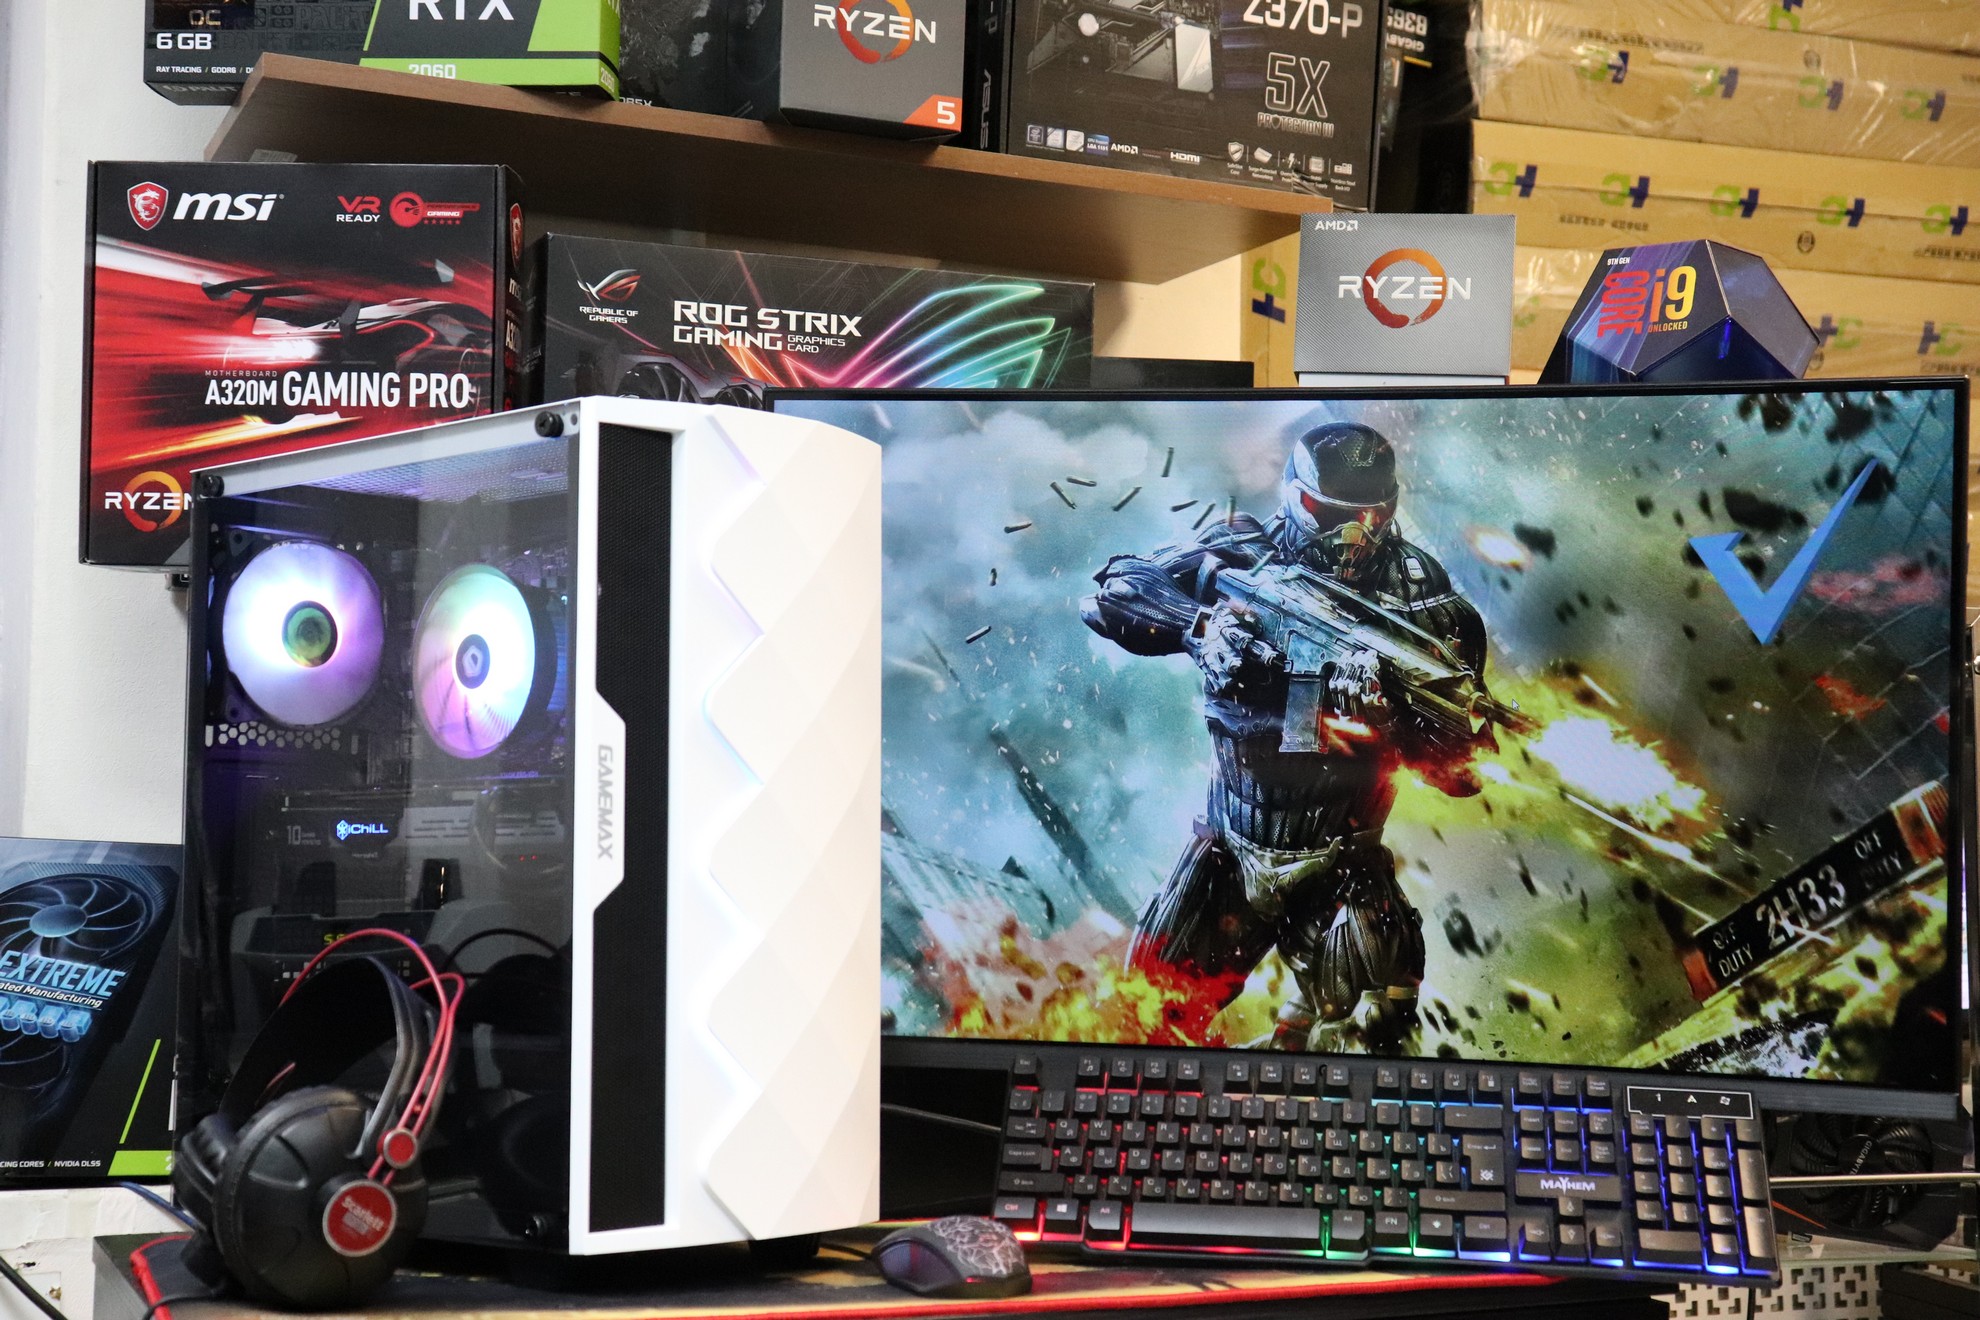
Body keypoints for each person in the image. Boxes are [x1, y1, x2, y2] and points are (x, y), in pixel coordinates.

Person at [1079, 421, 1496, 1052]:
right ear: (1294, 496)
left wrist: (1389, 720)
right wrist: (1199, 627)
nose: (1352, 536)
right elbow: (1110, 594)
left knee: (1374, 1029)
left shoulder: (1425, 607)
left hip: (1341, 863)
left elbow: (1461, 775)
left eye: (1370, 517)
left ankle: (1297, 1070)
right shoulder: (1243, 553)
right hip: (1229, 849)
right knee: (1145, 1019)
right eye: (1328, 514)